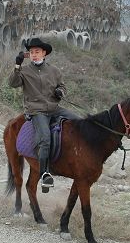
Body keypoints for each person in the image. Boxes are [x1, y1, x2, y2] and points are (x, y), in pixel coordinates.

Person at [8, 37, 80, 191]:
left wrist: (61, 91)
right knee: (45, 138)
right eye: (31, 52)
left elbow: (63, 86)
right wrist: (17, 65)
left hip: (55, 108)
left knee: (80, 122)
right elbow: (12, 83)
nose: (34, 54)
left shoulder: (54, 70)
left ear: (44, 53)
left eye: (37, 52)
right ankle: (45, 173)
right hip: (37, 111)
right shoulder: (25, 71)